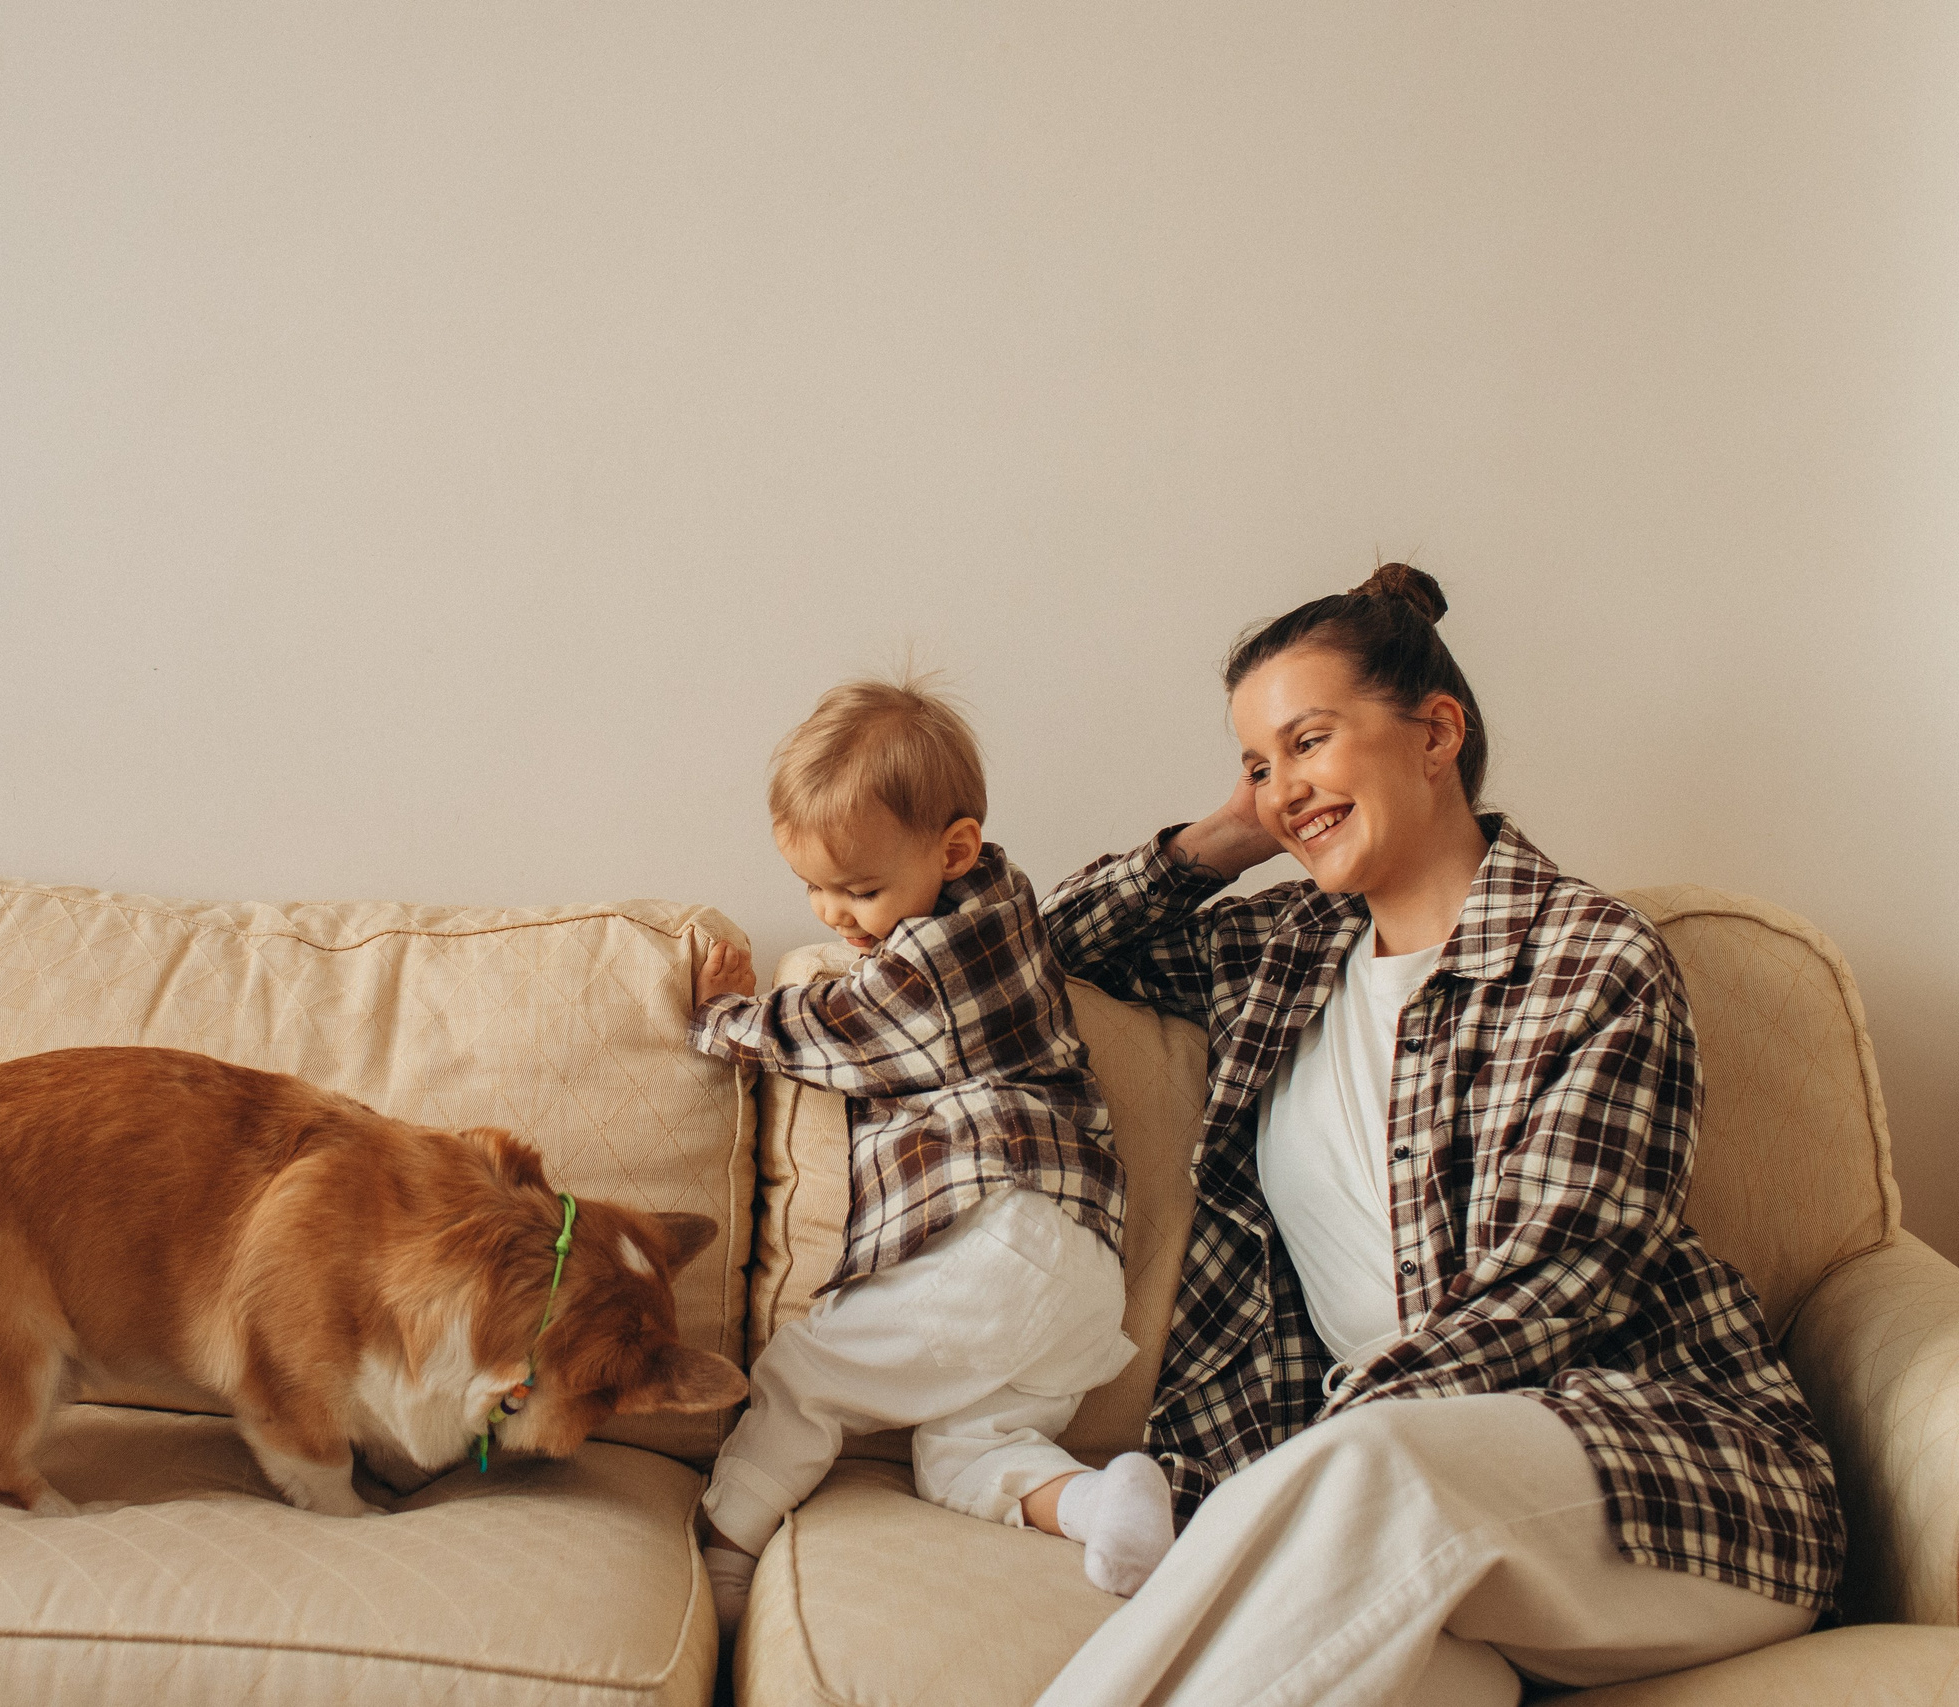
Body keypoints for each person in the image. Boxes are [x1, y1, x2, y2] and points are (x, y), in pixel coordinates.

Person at [1032, 565, 1842, 1706]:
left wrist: (1316, 1457)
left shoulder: (1588, 960)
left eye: (1309, 742)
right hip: (1421, 1532)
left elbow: (1555, 1283)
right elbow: (1032, 957)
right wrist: (1230, 829)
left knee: (1373, 1464)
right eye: (1260, 762)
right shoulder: (1279, 955)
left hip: (1667, 1487)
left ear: (1435, 733)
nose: (1285, 788)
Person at [688, 674, 1178, 1636]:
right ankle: (1101, 1506)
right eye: (813, 889)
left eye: (859, 888)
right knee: (961, 1449)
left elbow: (829, 1032)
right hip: (1074, 1284)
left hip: (1003, 1238)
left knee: (802, 1370)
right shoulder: (1005, 902)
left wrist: (717, 1017)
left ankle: (728, 1542)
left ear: (953, 849)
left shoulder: (928, 968)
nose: (833, 913)